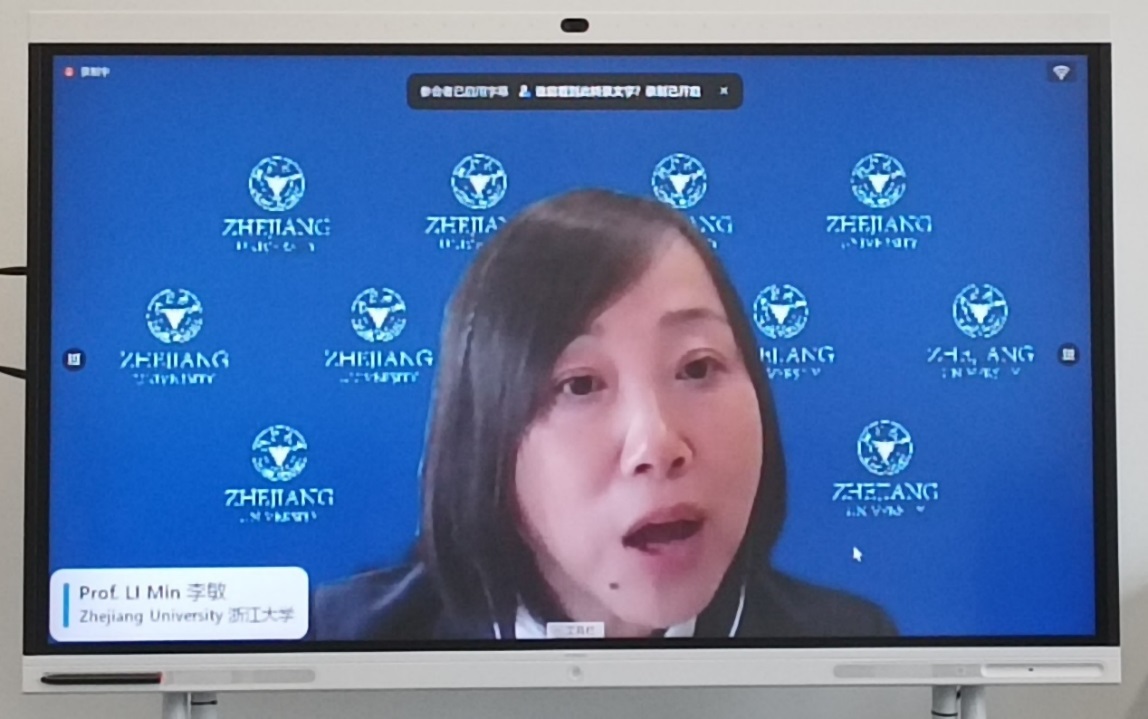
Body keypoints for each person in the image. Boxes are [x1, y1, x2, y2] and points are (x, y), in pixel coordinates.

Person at [310, 189, 896, 641]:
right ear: (486, 439)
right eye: (581, 384)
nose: (657, 444)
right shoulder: (338, 645)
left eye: (697, 367)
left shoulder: (849, 645)